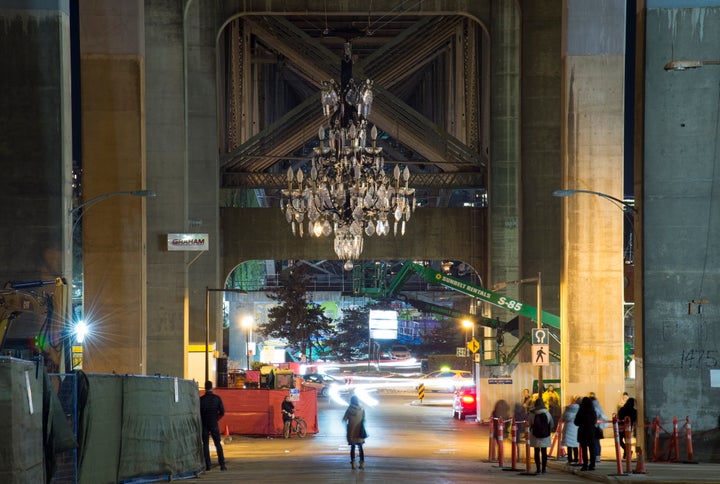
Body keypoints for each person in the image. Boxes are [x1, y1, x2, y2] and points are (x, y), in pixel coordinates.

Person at [200, 381, 227, 471]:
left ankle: (208, 465)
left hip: (204, 423)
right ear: (212, 387)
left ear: (205, 387)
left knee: (205, 445)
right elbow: (222, 412)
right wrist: (216, 419)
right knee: (217, 443)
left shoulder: (201, 400)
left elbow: (198, 413)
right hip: (214, 423)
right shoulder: (217, 398)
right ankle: (222, 464)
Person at [529, 397, 553, 474]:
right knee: (544, 451)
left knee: (536, 451)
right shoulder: (547, 413)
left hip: (535, 435)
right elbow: (551, 424)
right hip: (545, 435)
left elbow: (529, 424)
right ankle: (544, 469)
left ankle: (538, 469)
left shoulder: (532, 413)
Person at [342, 395, 367, 470]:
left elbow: (344, 419)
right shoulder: (362, 409)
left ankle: (353, 463)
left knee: (352, 447)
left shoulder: (349, 409)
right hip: (359, 431)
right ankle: (362, 463)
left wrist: (348, 426)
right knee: (360, 447)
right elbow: (364, 419)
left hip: (351, 432)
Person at [574, 396, 598, 471]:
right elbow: (595, 421)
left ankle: (585, 465)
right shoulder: (593, 411)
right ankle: (592, 464)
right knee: (592, 448)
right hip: (591, 431)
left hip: (582, 431)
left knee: (584, 449)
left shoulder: (581, 411)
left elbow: (576, 422)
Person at [560, 396, 581, 465]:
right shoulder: (579, 410)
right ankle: (576, 458)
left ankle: (570, 459)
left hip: (568, 428)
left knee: (569, 445)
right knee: (575, 445)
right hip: (576, 428)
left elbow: (562, 419)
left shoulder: (567, 410)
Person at [589, 392, 608, 462]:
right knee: (597, 442)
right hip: (598, 427)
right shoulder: (598, 408)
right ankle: (597, 456)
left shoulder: (593, 409)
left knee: (594, 442)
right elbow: (604, 417)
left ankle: (596, 456)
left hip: (594, 427)